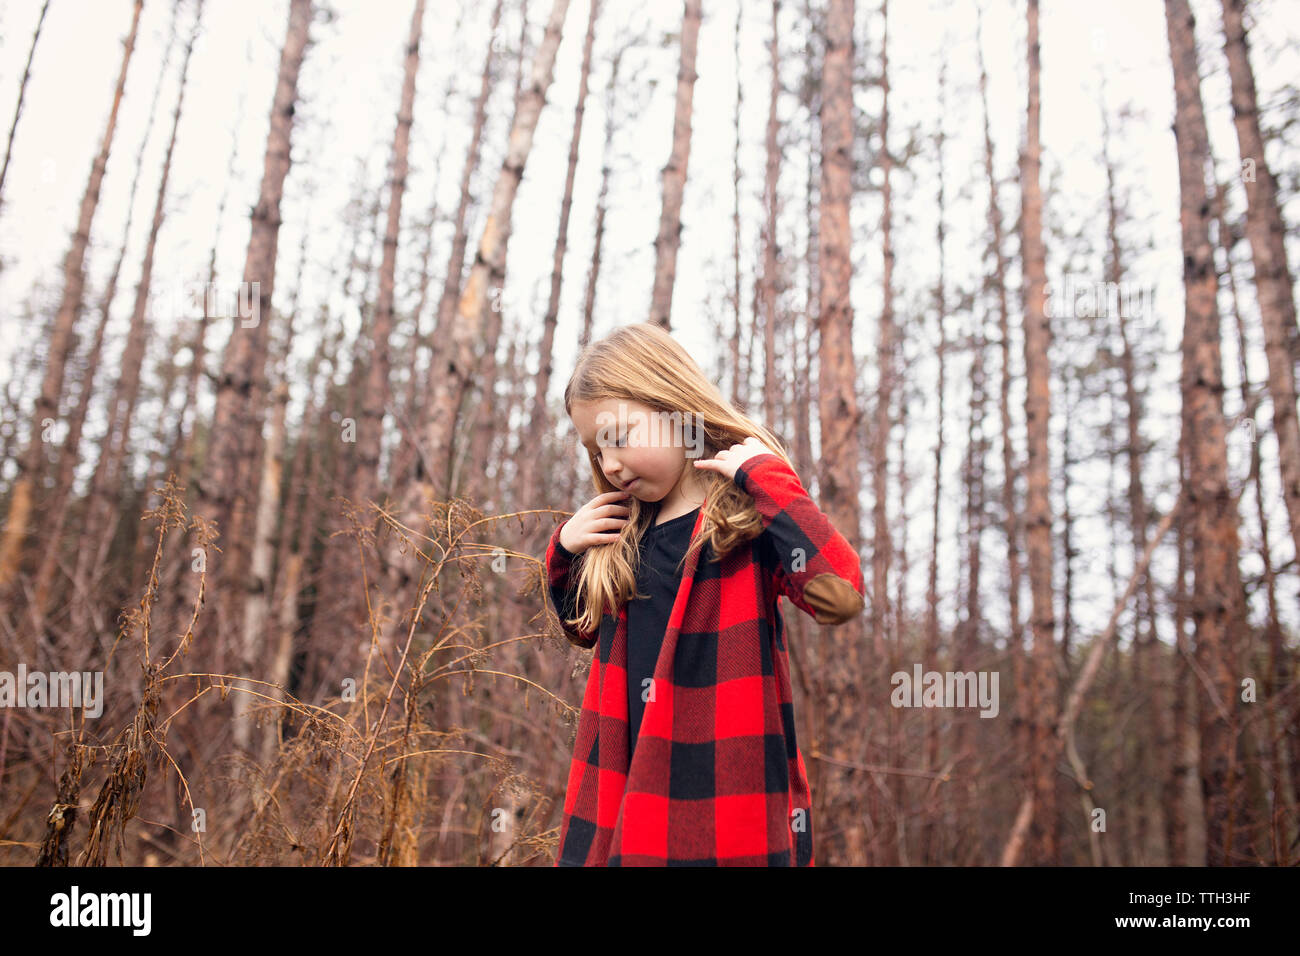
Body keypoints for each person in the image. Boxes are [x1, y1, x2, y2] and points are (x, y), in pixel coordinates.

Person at [543, 322, 865, 866]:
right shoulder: (621, 534)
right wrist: (566, 552)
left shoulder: (744, 518)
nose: (610, 463)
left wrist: (767, 478)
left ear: (674, 408)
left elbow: (839, 596)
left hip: (723, 799)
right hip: (622, 801)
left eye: (619, 436)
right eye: (596, 449)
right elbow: (580, 627)